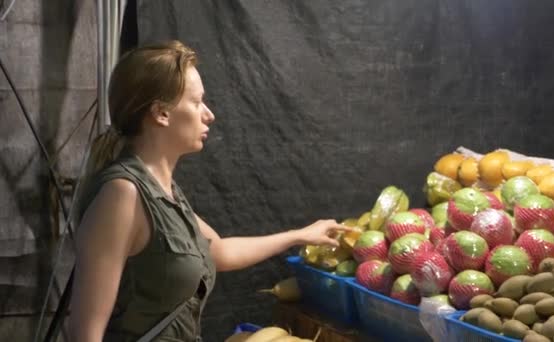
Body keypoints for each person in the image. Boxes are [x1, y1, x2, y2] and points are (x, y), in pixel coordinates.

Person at [68, 40, 348, 342]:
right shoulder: (122, 195)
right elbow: (85, 334)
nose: (209, 114)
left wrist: (299, 235)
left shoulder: (165, 191)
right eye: (197, 102)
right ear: (161, 113)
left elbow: (220, 252)